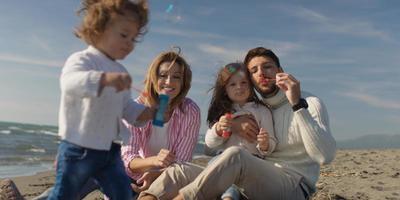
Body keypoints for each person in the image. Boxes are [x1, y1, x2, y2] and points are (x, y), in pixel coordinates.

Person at [138, 47, 336, 200]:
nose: (261, 73)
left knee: (236, 156)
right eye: (254, 70)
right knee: (181, 170)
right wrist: (231, 126)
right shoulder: (258, 107)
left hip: (294, 185)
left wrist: (297, 105)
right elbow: (209, 150)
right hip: (254, 177)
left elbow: (324, 156)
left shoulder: (308, 103)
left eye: (267, 66)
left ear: (280, 71)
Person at [48, 0, 152, 199]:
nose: (129, 43)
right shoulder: (83, 59)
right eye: (124, 35)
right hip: (79, 148)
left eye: (133, 38)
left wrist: (146, 113)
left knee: (122, 192)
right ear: (98, 29)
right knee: (65, 194)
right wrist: (103, 79)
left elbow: (127, 109)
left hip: (110, 150)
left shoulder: (121, 71)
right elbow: (70, 83)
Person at [121, 50, 201, 194]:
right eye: (163, 75)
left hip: (170, 177)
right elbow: (128, 159)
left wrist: (158, 175)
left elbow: (182, 162)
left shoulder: (190, 110)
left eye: (176, 77)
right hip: (136, 176)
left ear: (183, 83)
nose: (169, 82)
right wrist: (154, 161)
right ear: (153, 78)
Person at [205, 62, 276, 200]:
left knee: (233, 175)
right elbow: (210, 143)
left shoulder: (262, 111)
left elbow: (271, 142)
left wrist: (265, 144)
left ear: (250, 84)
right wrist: (218, 130)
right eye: (232, 84)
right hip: (222, 158)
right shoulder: (223, 111)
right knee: (218, 166)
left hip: (252, 160)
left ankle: (228, 197)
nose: (239, 87)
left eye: (244, 82)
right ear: (225, 89)